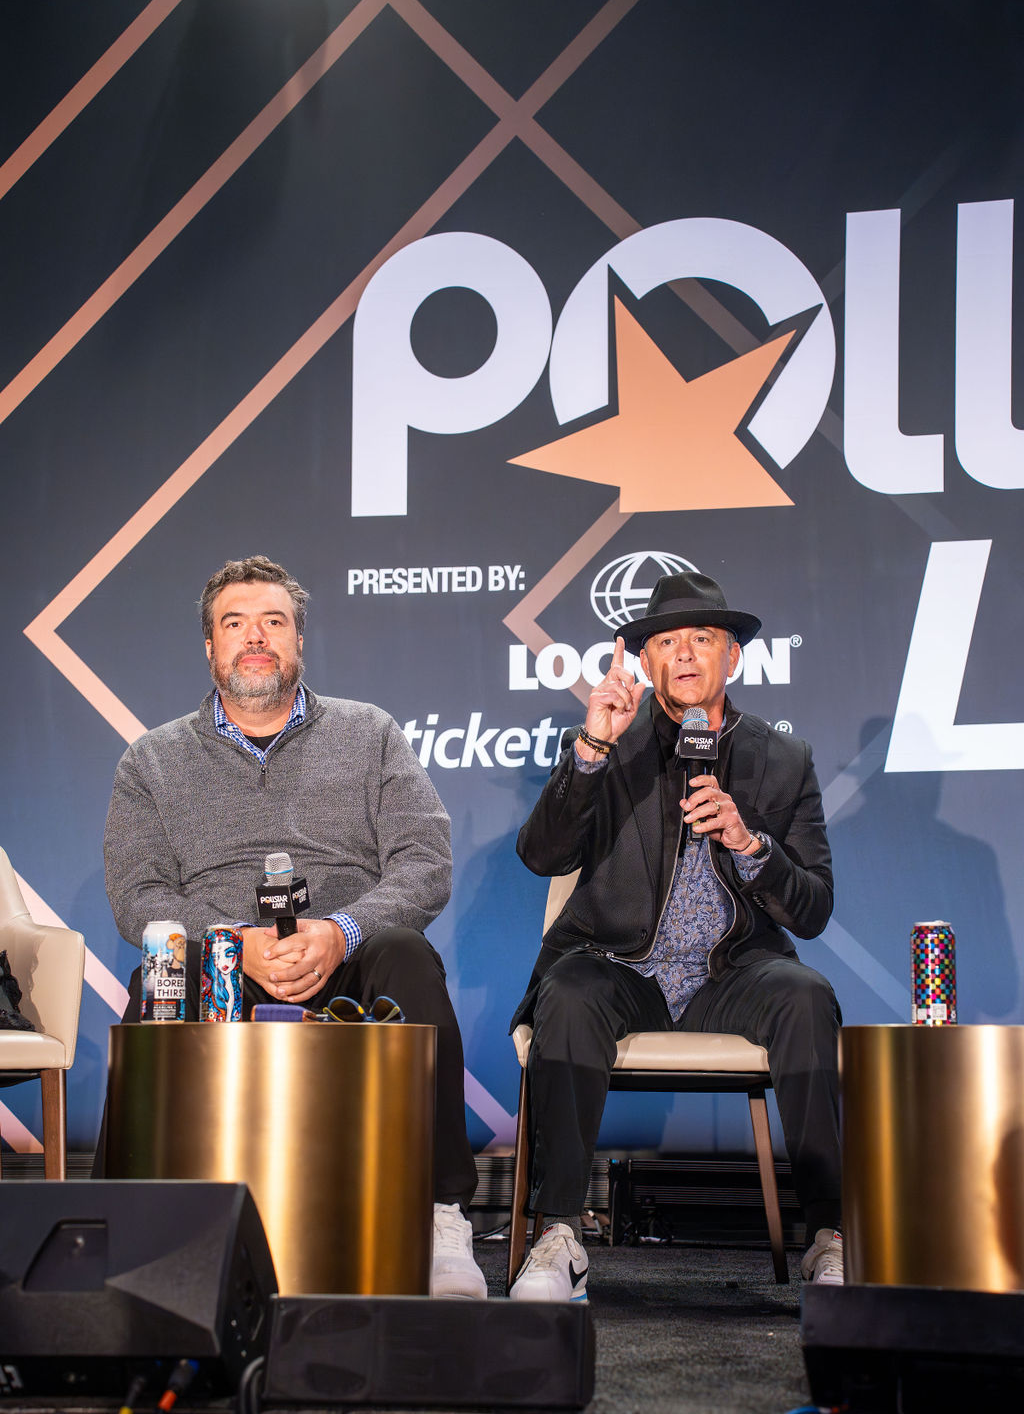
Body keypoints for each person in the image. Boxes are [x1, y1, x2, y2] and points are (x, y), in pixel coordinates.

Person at [102, 554, 485, 1300]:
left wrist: (341, 931)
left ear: (298, 641)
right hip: (225, 963)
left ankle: (441, 1216)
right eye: (235, 624)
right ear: (209, 646)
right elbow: (137, 896)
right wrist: (235, 944)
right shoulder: (151, 760)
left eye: (273, 622)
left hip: (347, 959)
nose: (255, 637)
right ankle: (132, 1234)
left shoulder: (369, 733)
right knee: (159, 972)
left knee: (406, 954)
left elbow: (425, 862)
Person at [508, 571, 843, 1302]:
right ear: (645, 662)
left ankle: (828, 1235)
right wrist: (591, 749)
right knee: (568, 991)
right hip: (621, 968)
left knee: (806, 997)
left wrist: (750, 845)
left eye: (702, 638)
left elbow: (813, 908)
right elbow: (541, 855)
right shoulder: (610, 744)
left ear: (733, 657)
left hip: (734, 973)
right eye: (666, 642)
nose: (685, 653)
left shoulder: (783, 761)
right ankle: (559, 1234)